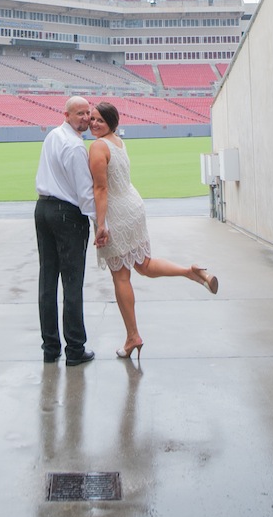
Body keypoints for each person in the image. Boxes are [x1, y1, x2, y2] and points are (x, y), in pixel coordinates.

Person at [89, 101, 218, 362]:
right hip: (133, 205)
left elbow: (101, 189)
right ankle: (192, 272)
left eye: (99, 120)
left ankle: (132, 336)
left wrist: (101, 225)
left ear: (111, 123)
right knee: (144, 265)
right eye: (91, 118)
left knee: (121, 278)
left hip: (117, 213)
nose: (93, 123)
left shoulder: (97, 146)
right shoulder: (116, 141)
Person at [34, 96, 97, 366]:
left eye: (88, 113)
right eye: (80, 113)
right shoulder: (75, 147)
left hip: (43, 209)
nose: (85, 118)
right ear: (67, 114)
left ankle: (50, 348)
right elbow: (85, 193)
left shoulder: (53, 136)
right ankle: (75, 348)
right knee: (72, 282)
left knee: (48, 280)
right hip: (67, 214)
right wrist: (98, 224)